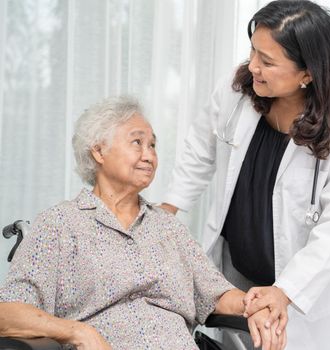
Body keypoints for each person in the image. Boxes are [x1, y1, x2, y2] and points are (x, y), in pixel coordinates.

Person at [160, 1, 330, 349]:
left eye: (268, 61)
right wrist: (166, 213)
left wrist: (284, 292)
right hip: (234, 276)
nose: (253, 67)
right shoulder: (237, 92)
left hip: (299, 294)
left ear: (307, 73)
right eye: (253, 52)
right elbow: (199, 152)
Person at [0, 96, 287, 350]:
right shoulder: (60, 224)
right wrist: (77, 332)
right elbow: (7, 313)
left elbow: (217, 293)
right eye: (137, 142)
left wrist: (255, 305)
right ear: (98, 152)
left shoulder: (168, 228)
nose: (149, 155)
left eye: (153, 145)